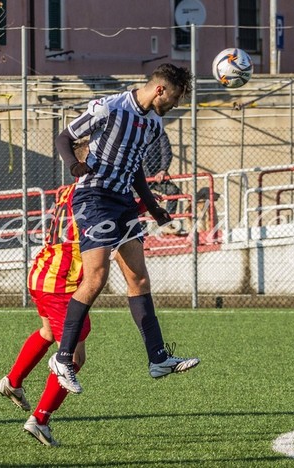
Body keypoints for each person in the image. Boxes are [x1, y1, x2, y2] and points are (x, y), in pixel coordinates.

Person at [49, 63, 200, 395]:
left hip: (123, 201)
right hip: (93, 197)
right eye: (174, 98)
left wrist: (156, 208)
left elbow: (134, 171)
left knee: (138, 278)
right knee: (96, 277)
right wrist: (74, 164)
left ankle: (158, 358)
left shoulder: (153, 123)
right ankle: (62, 358)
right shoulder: (109, 107)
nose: (175, 105)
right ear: (160, 89)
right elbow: (65, 137)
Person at [0, 182, 88, 446]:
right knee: (74, 356)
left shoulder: (67, 189)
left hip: (42, 272)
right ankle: (40, 420)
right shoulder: (93, 190)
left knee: (48, 332)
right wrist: (143, 206)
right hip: (61, 283)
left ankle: (13, 381)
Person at [144, 131, 182, 214]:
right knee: (137, 197)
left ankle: (168, 218)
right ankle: (140, 224)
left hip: (156, 176)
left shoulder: (159, 132)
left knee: (173, 191)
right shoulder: (135, 130)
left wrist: (162, 170)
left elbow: (166, 153)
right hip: (140, 177)